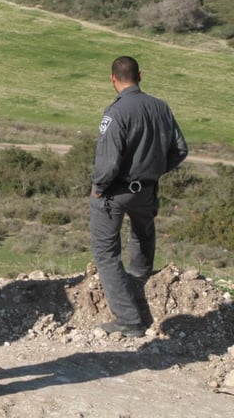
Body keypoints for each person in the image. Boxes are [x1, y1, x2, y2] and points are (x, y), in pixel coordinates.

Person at [90, 55, 188, 337]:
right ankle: (141, 281)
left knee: (106, 253)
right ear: (140, 76)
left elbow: (108, 163)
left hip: (115, 191)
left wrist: (98, 188)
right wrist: (155, 171)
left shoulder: (116, 113)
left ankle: (128, 319)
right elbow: (180, 149)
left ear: (113, 79)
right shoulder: (161, 107)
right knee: (143, 233)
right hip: (147, 189)